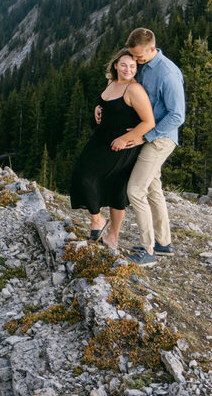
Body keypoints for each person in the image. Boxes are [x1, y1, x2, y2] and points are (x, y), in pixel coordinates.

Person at [112, 27, 186, 267]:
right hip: (148, 135)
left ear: (152, 49)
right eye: (133, 56)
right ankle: (163, 243)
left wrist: (147, 136)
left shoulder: (168, 74)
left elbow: (177, 116)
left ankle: (148, 250)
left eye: (139, 57)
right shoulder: (142, 64)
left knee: (135, 190)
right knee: (153, 188)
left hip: (160, 139)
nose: (135, 61)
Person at [68, 50, 154, 251]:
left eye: (133, 66)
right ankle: (103, 226)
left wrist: (125, 140)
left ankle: (105, 228)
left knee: (96, 180)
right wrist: (98, 108)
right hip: (101, 139)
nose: (128, 69)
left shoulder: (135, 90)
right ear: (115, 65)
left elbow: (148, 122)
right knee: (83, 175)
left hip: (120, 144)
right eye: (124, 65)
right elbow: (107, 102)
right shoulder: (112, 83)